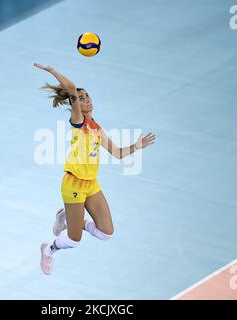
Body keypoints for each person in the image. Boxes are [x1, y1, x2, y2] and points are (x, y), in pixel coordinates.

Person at [34, 63, 156, 275]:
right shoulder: (78, 121)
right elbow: (71, 89)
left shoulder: (97, 128)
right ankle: (48, 249)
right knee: (73, 241)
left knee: (106, 233)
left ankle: (66, 215)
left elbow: (117, 153)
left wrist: (137, 145)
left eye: (87, 96)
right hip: (73, 184)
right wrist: (52, 70)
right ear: (75, 105)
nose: (86, 99)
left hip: (91, 185)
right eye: (81, 98)